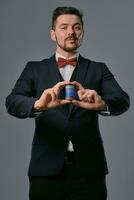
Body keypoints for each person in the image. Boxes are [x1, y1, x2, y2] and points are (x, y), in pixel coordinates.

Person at [5, 6, 130, 200]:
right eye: (64, 27)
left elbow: (122, 100)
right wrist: (38, 105)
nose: (71, 32)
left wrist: (102, 104)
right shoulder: (34, 69)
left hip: (90, 171)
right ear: (53, 34)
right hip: (45, 170)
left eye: (76, 27)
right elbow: (12, 102)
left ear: (82, 33)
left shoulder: (99, 69)